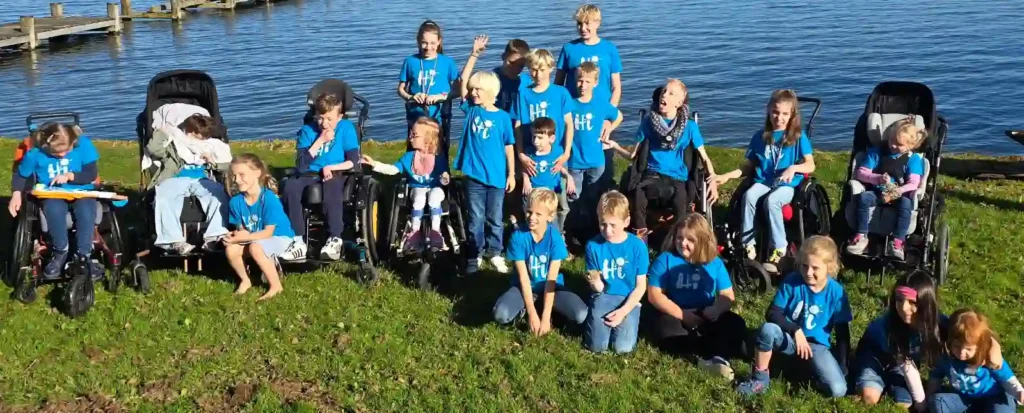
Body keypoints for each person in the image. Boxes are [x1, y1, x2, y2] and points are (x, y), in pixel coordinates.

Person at [710, 89, 815, 272]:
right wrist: (726, 176)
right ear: (768, 110)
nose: (779, 118)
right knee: (749, 195)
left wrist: (793, 168)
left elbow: (810, 165)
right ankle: (748, 244)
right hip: (764, 180)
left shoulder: (799, 138)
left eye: (784, 114)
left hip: (786, 184)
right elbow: (748, 166)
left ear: (792, 115)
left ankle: (779, 248)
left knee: (773, 201)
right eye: (775, 112)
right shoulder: (760, 137)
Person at [736, 236, 851, 397]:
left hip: (817, 347)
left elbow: (842, 332)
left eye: (815, 268)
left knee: (839, 390)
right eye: (805, 266)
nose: (808, 273)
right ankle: (760, 379)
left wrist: (843, 366)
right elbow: (772, 312)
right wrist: (795, 330)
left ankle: (807, 373)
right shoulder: (792, 281)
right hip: (789, 339)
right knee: (768, 330)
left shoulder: (836, 292)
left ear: (829, 267)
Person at [607, 80, 716, 242]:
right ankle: (640, 237)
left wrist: (713, 179)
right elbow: (632, 156)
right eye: (664, 91)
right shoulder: (648, 123)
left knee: (681, 200)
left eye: (671, 93)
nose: (664, 95)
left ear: (679, 102)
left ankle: (680, 240)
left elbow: (704, 158)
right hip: (654, 174)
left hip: (678, 177)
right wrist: (614, 145)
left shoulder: (690, 127)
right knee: (639, 191)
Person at [647, 214, 747, 380]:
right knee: (664, 330)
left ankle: (712, 356)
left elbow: (727, 294)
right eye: (679, 238)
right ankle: (706, 352)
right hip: (676, 312)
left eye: (690, 240)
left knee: (735, 323)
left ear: (702, 240)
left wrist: (716, 309)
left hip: (705, 311)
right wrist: (682, 315)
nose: (683, 243)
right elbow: (655, 295)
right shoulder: (665, 260)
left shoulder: (714, 262)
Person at [9, 122, 103, 280]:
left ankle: (83, 255)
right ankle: (60, 251)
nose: (61, 155)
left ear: (73, 142)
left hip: (82, 190)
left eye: (66, 151)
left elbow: (91, 173)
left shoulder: (84, 144)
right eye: (56, 153)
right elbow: (21, 174)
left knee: (86, 212)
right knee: (54, 210)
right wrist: (16, 194)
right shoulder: (36, 153)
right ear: (46, 145)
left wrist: (71, 176)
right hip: (52, 193)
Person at [493, 188, 588, 333]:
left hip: (551, 288)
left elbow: (551, 280)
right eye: (529, 211)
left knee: (580, 314)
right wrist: (532, 314)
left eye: (538, 214)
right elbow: (523, 277)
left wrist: (545, 317)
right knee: (501, 314)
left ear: (550, 217)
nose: (531, 217)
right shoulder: (518, 237)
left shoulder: (555, 239)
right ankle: (526, 308)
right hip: (524, 287)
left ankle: (549, 310)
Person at [280, 93, 360, 262]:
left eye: (330, 119)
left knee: (331, 186)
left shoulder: (346, 129)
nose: (324, 123)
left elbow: (353, 161)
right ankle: (298, 241)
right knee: (290, 188)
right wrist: (320, 141)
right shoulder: (308, 131)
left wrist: (331, 167)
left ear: (340, 116)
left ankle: (334, 238)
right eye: (320, 118)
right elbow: (301, 164)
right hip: (309, 172)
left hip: (336, 170)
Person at [456, 62, 516, 275]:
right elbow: (462, 82)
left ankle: (495, 252)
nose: (473, 93)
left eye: (477, 90)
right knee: (475, 219)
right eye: (472, 90)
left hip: (497, 178)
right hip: (474, 177)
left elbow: (509, 147)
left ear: (490, 91)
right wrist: (474, 55)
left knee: (495, 219)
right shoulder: (471, 111)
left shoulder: (503, 118)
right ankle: (475, 254)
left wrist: (512, 173)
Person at [855, 270, 946, 410]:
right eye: (899, 299)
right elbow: (907, 367)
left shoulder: (939, 323)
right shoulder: (889, 325)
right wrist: (921, 404)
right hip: (875, 356)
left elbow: (968, 334)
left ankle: (892, 382)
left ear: (925, 303)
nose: (904, 308)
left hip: (899, 365)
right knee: (869, 398)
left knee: (904, 403)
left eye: (912, 302)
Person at [147, 114, 232, 254]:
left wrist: (212, 162)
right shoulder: (174, 141)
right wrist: (162, 132)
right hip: (175, 178)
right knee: (164, 197)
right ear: (191, 132)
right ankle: (172, 241)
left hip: (202, 179)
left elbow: (228, 166)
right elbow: (153, 149)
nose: (204, 139)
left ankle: (214, 237)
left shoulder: (211, 146)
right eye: (201, 136)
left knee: (219, 195)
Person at [362, 117, 450, 251]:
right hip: (417, 188)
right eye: (410, 134)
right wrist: (374, 164)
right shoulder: (408, 157)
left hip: (435, 187)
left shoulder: (438, 158)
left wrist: (445, 178)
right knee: (419, 198)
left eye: (414, 135)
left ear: (427, 139)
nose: (410, 137)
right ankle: (414, 232)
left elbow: (444, 176)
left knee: (434, 197)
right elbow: (393, 170)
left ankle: (435, 231)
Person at [846, 118, 928, 260]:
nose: (893, 146)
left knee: (905, 204)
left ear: (910, 145)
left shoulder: (913, 159)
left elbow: (914, 183)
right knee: (864, 198)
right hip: (878, 191)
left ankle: (898, 240)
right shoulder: (876, 153)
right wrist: (877, 178)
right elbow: (861, 172)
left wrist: (898, 191)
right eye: (891, 141)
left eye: (899, 144)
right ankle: (861, 235)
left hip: (899, 194)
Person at [583, 191, 648, 354]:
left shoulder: (637, 246)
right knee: (597, 346)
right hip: (604, 295)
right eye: (603, 224)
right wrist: (595, 283)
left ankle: (631, 316)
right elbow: (599, 286)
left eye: (613, 225)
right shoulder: (593, 245)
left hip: (629, 296)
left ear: (626, 222)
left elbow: (641, 286)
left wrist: (623, 311)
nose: (608, 231)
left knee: (623, 348)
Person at [224, 154, 294, 301]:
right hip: (255, 238)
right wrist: (234, 237)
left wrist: (246, 237)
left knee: (256, 247)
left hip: (280, 237)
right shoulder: (236, 202)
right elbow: (241, 228)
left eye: (242, 175)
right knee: (231, 249)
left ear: (257, 173)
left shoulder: (268, 198)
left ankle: (275, 286)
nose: (236, 180)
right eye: (234, 176)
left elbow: (269, 232)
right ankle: (245, 280)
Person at [927, 309, 1024, 413]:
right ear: (950, 341)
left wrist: (1019, 392)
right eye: (957, 346)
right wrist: (928, 396)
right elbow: (935, 377)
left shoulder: (988, 357)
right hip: (964, 399)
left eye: (968, 349)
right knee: (938, 401)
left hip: (994, 397)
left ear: (979, 347)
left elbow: (1007, 378)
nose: (962, 352)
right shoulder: (945, 357)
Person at [566, 62, 622, 238]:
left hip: (596, 161)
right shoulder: (570, 104)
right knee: (574, 198)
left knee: (594, 197)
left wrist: (609, 127)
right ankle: (572, 231)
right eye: (580, 81)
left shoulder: (600, 104)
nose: (583, 85)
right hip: (575, 161)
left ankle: (593, 230)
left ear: (596, 83)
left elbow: (619, 116)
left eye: (588, 82)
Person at [512, 49, 575, 176]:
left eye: (542, 70)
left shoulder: (561, 93)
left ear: (550, 68)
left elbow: (569, 124)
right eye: (533, 70)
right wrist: (521, 154)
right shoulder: (523, 94)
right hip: (531, 156)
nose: (538, 74)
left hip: (556, 155)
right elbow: (518, 126)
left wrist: (566, 153)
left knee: (558, 191)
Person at [555, 4, 622, 106]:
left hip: (602, 106)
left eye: (587, 23)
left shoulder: (609, 48)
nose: (583, 28)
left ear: (597, 23)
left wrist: (610, 111)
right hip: (573, 107)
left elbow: (616, 86)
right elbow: (558, 84)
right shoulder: (569, 48)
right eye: (579, 23)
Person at [397, 20, 459, 126]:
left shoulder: (448, 63)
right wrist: (411, 97)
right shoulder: (410, 61)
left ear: (439, 41)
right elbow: (400, 89)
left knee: (440, 142)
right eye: (424, 43)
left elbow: (457, 91)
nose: (428, 47)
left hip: (440, 116)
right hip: (415, 116)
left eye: (432, 43)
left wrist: (440, 97)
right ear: (418, 41)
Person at [521, 117, 575, 232]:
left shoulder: (557, 152)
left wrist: (569, 177)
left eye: (540, 138)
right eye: (533, 137)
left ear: (551, 138)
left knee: (551, 218)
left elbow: (560, 168)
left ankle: (556, 237)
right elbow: (525, 169)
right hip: (533, 191)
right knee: (532, 218)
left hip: (550, 192)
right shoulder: (529, 152)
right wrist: (526, 180)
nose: (535, 141)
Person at [494, 39, 531, 113]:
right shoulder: (490, 79)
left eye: (521, 66)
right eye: (512, 63)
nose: (515, 69)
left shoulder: (527, 82)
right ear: (503, 56)